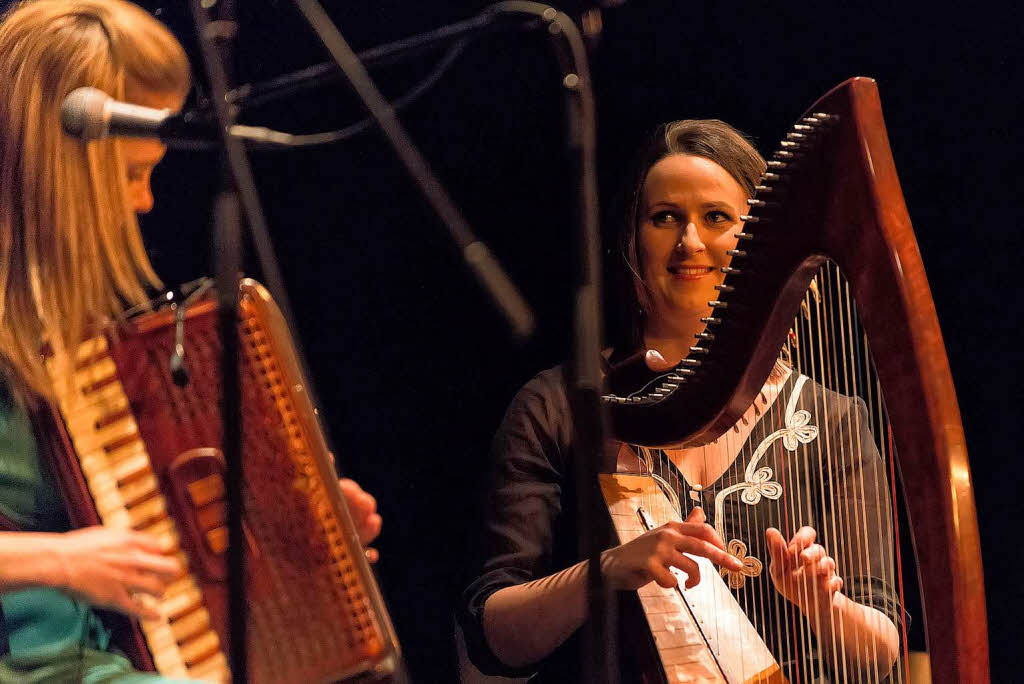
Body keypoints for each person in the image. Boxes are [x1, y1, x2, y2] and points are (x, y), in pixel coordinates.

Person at [0, 1, 381, 681]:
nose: (146, 202)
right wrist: (61, 562)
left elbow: (132, 514)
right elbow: (79, 550)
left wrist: (296, 521)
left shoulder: (64, 328)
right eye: (129, 174)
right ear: (62, 165)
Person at [458, 120, 902, 682]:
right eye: (665, 217)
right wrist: (608, 569)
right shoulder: (558, 406)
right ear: (632, 240)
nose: (689, 240)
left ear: (760, 241)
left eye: (716, 217)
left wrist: (824, 606)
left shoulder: (834, 419)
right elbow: (492, 636)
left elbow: (883, 648)